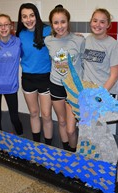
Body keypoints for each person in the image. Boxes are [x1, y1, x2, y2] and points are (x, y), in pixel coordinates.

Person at [44, 5, 85, 152]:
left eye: (63, 22)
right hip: (56, 86)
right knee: (61, 122)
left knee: (70, 129)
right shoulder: (48, 40)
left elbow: (86, 64)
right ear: (51, 24)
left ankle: (74, 154)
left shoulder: (79, 40)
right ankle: (66, 154)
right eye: (56, 23)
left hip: (73, 88)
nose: (60, 26)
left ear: (68, 22)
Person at [16, 3, 53, 145]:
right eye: (24, 16)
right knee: (33, 113)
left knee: (46, 115)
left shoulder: (48, 30)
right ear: (21, 19)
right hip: (28, 78)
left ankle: (48, 146)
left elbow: (62, 37)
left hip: (45, 78)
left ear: (36, 15)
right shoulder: (20, 34)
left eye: (32, 15)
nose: (29, 19)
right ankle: (37, 145)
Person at [83, 8, 118, 97]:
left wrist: (99, 95)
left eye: (102, 22)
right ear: (91, 22)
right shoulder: (87, 40)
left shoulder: (113, 45)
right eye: (95, 21)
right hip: (87, 91)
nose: (97, 25)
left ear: (108, 25)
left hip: (104, 93)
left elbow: (114, 76)